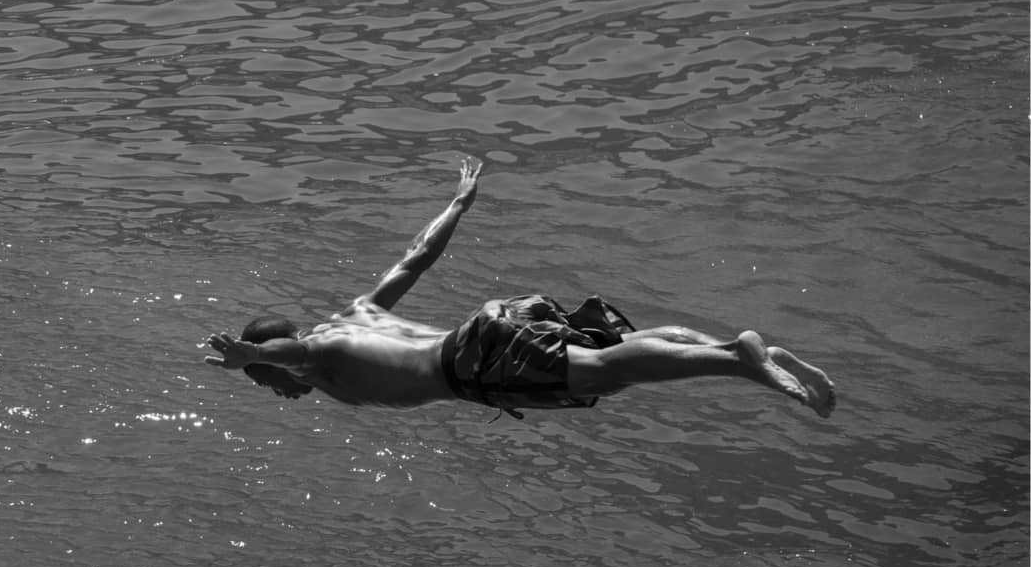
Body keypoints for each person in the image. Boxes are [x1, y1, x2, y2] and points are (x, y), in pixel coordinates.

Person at [203, 159, 835, 419]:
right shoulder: (358, 313)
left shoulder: (315, 357)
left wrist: (251, 357)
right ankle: (732, 349)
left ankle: (737, 360)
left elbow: (299, 355)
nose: (278, 392)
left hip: (472, 363)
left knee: (608, 372)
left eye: (266, 382)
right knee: (614, 357)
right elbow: (415, 258)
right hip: (487, 329)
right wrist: (458, 202)